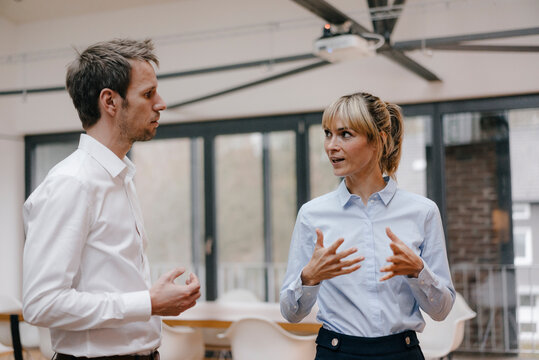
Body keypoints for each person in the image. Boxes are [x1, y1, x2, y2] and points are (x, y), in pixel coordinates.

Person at [22, 38, 201, 359]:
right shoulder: (72, 183)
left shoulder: (120, 177)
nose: (160, 103)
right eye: (148, 94)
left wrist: (152, 298)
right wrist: (147, 302)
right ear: (110, 102)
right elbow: (41, 303)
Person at [280, 92, 455, 360]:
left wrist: (418, 271)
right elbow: (291, 313)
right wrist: (309, 278)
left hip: (402, 353)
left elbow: (441, 311)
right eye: (328, 133)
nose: (331, 145)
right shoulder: (312, 215)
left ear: (378, 140)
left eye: (345, 134)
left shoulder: (423, 212)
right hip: (336, 352)